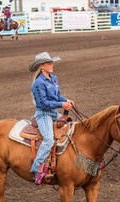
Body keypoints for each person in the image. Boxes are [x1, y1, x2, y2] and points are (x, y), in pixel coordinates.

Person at [29, 52, 75, 185]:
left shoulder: (53, 78)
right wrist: (61, 104)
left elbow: (57, 97)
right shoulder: (38, 83)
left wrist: (66, 100)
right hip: (43, 114)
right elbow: (42, 103)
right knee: (48, 139)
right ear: (42, 66)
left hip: (53, 113)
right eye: (49, 63)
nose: (52, 64)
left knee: (71, 129)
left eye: (51, 62)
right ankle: (37, 168)